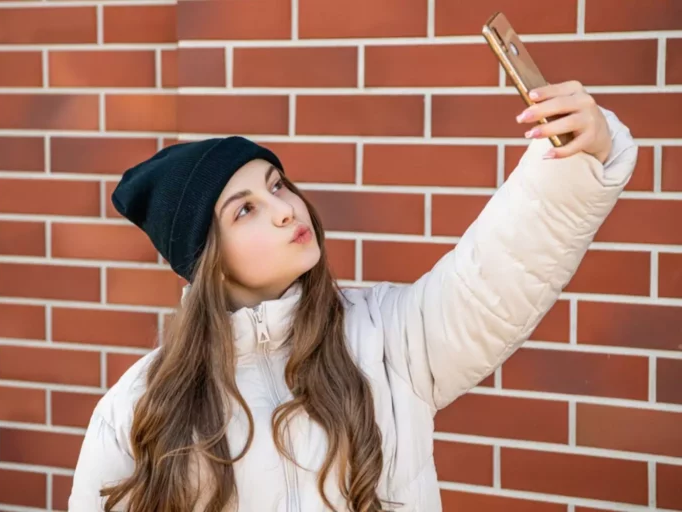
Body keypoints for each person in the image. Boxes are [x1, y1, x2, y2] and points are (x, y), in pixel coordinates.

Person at [68, 81, 638, 512]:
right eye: (246, 210)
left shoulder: (390, 337)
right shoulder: (138, 408)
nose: (286, 207)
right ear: (207, 266)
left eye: (276, 184)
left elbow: (497, 270)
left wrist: (577, 153)